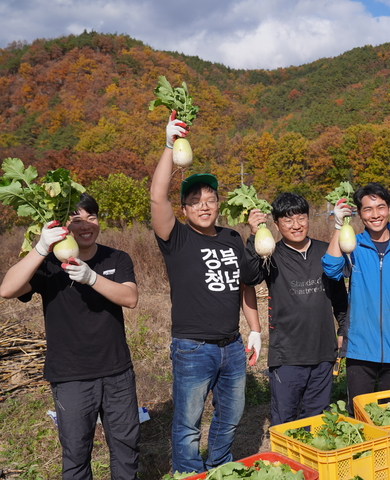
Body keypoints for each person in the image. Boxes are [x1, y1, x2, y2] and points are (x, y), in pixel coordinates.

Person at [0, 193, 141, 479]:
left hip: (117, 373)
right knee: (76, 455)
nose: (86, 224)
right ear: (65, 226)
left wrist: (91, 278)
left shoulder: (116, 257)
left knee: (127, 451)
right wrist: (40, 248)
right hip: (71, 377)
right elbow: (7, 289)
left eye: (92, 217)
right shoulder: (49, 265)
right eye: (77, 219)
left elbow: (130, 298)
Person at [151, 114, 262, 474]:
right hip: (192, 347)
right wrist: (170, 146)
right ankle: (188, 473)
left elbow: (247, 285)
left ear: (218, 205)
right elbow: (156, 197)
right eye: (195, 200)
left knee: (230, 418)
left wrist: (255, 330)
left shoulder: (232, 237)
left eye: (210, 199)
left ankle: (219, 468)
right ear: (184, 209)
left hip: (231, 345)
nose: (203, 205)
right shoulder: (177, 237)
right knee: (187, 426)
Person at [322, 182, 390, 416]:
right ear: (359, 214)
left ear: (389, 208)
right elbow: (331, 269)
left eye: (380, 207)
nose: (375, 215)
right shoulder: (352, 246)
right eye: (368, 209)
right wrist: (339, 226)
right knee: (360, 415)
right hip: (360, 349)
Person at [240, 192, 348, 426]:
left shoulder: (326, 251)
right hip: (287, 355)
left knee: (317, 420)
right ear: (276, 225)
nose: (296, 225)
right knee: (285, 420)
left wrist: (343, 331)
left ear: (309, 219)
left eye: (301, 218)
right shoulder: (270, 254)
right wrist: (253, 235)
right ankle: (284, 462)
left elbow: (340, 296)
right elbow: (249, 277)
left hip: (323, 351)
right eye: (288, 220)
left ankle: (311, 462)